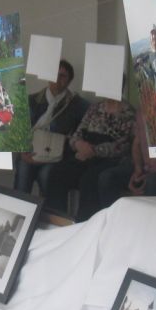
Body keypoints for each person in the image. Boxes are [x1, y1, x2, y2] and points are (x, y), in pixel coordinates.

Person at [46, 92, 135, 221]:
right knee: (58, 172)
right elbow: (77, 134)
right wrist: (78, 144)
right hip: (85, 152)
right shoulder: (95, 108)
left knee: (89, 180)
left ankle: (85, 224)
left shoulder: (128, 112)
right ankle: (58, 221)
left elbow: (123, 145)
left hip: (109, 158)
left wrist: (94, 151)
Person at [14, 59, 87, 197]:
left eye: (62, 76)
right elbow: (20, 130)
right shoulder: (32, 100)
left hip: (57, 156)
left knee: (47, 175)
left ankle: (48, 210)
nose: (57, 79)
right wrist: (23, 151)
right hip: (31, 152)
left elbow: (79, 134)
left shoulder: (77, 105)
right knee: (24, 168)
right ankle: (20, 207)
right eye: (54, 74)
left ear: (69, 81)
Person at [98, 109, 156, 208]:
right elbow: (137, 144)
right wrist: (138, 169)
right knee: (107, 177)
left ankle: (147, 216)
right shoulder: (143, 112)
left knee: (152, 180)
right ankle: (111, 216)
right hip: (147, 167)